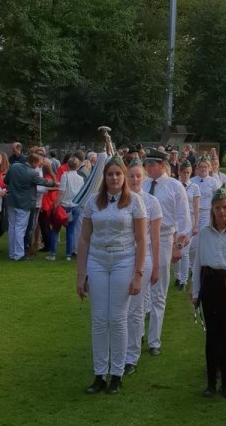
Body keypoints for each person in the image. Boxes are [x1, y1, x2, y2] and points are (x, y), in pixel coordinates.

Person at [76, 159, 147, 395]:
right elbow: (84, 239)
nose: (114, 178)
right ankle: (99, 374)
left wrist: (138, 274)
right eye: (110, 174)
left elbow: (141, 240)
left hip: (123, 260)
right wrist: (81, 275)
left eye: (118, 174)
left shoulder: (134, 201)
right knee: (99, 319)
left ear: (124, 176)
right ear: (104, 177)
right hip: (97, 260)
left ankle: (116, 374)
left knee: (117, 318)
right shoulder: (93, 202)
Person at [192, 187, 226, 398]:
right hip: (210, 283)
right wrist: (196, 291)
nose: (222, 212)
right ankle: (211, 383)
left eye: (225, 207)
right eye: (218, 208)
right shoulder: (204, 232)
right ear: (212, 209)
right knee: (211, 335)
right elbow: (197, 263)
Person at [142, 147, 191, 356]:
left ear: (162, 165)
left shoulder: (174, 186)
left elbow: (184, 219)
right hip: (143, 238)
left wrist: (178, 246)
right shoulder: (143, 184)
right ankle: (138, 332)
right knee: (140, 288)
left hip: (164, 238)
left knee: (159, 292)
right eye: (146, 164)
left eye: (151, 164)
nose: (147, 167)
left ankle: (154, 340)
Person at [124, 161, 161, 374]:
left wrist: (156, 266)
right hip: (122, 257)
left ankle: (132, 355)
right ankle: (121, 348)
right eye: (131, 176)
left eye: (138, 176)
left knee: (136, 309)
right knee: (121, 308)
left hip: (144, 258)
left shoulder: (152, 202)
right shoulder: (120, 200)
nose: (135, 179)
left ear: (144, 178)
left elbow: (154, 238)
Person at [4, 150, 47, 261]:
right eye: (38, 163)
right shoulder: (32, 173)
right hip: (24, 204)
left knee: (12, 228)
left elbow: (6, 180)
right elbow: (43, 182)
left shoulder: (14, 166)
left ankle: (12, 252)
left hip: (12, 201)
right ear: (34, 162)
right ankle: (19, 254)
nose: (38, 165)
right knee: (20, 229)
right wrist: (55, 183)